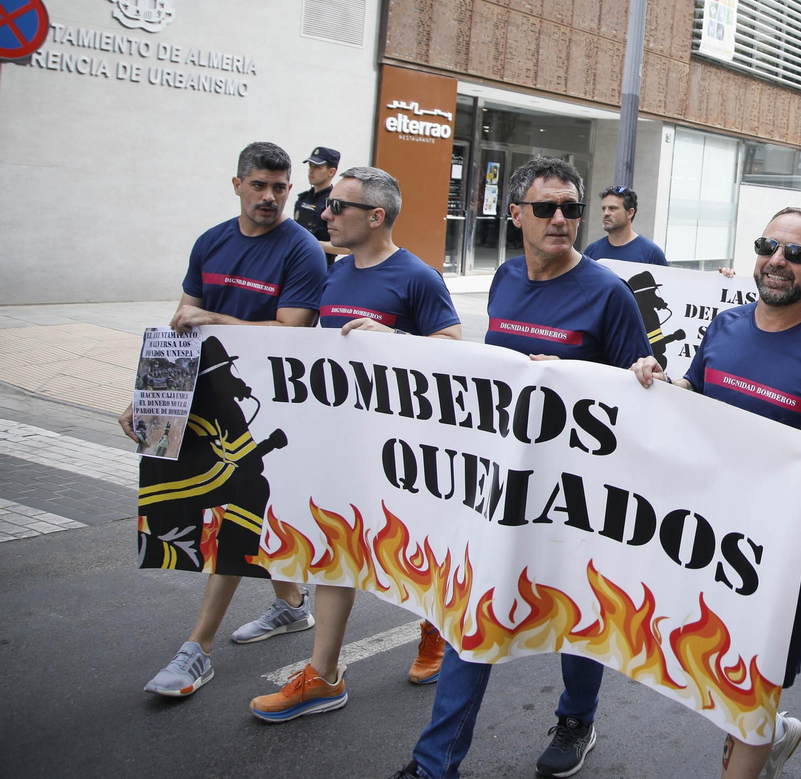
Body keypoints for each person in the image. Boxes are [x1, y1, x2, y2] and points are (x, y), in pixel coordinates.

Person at [389, 156, 652, 779]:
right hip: (503, 486)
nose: (560, 219)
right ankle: (434, 765)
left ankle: (576, 718)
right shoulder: (506, 278)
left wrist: (647, 378)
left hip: (578, 495)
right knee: (472, 613)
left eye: (570, 209)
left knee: (574, 612)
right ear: (515, 216)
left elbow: (637, 403)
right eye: (545, 208)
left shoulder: (608, 294)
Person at [629, 207, 801, 779]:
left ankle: (756, 739)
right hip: (707, 536)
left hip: (781, 556)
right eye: (770, 246)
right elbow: (694, 391)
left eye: (797, 255)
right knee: (717, 669)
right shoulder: (725, 326)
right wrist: (660, 384)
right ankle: (771, 734)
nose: (778, 262)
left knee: (756, 682)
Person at [249, 167, 462, 723]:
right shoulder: (334, 274)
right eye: (328, 206)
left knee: (418, 552)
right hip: (341, 444)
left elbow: (453, 352)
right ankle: (322, 676)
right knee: (333, 550)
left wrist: (396, 339)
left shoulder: (417, 276)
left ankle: (434, 634)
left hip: (405, 453)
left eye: (338, 207)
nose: (326, 214)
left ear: (375, 216)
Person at [128, 142, 328, 698]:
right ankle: (291, 605)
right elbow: (183, 326)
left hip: (267, 408)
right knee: (253, 510)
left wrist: (213, 317)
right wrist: (147, 400)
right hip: (209, 400)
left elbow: (291, 333)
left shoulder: (302, 251)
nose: (270, 197)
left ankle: (198, 649)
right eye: (259, 185)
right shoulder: (210, 241)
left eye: (280, 187)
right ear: (236, 184)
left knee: (239, 511)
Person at [581, 185, 668, 265]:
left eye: (612, 208)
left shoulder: (652, 254)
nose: (606, 213)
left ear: (630, 213)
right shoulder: (591, 251)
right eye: (604, 209)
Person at [293, 146, 349, 268]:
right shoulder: (303, 199)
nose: (311, 171)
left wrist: (314, 244)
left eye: (317, 167)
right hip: (295, 265)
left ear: (331, 172)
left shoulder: (335, 203)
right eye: (310, 166)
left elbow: (348, 247)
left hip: (319, 269)